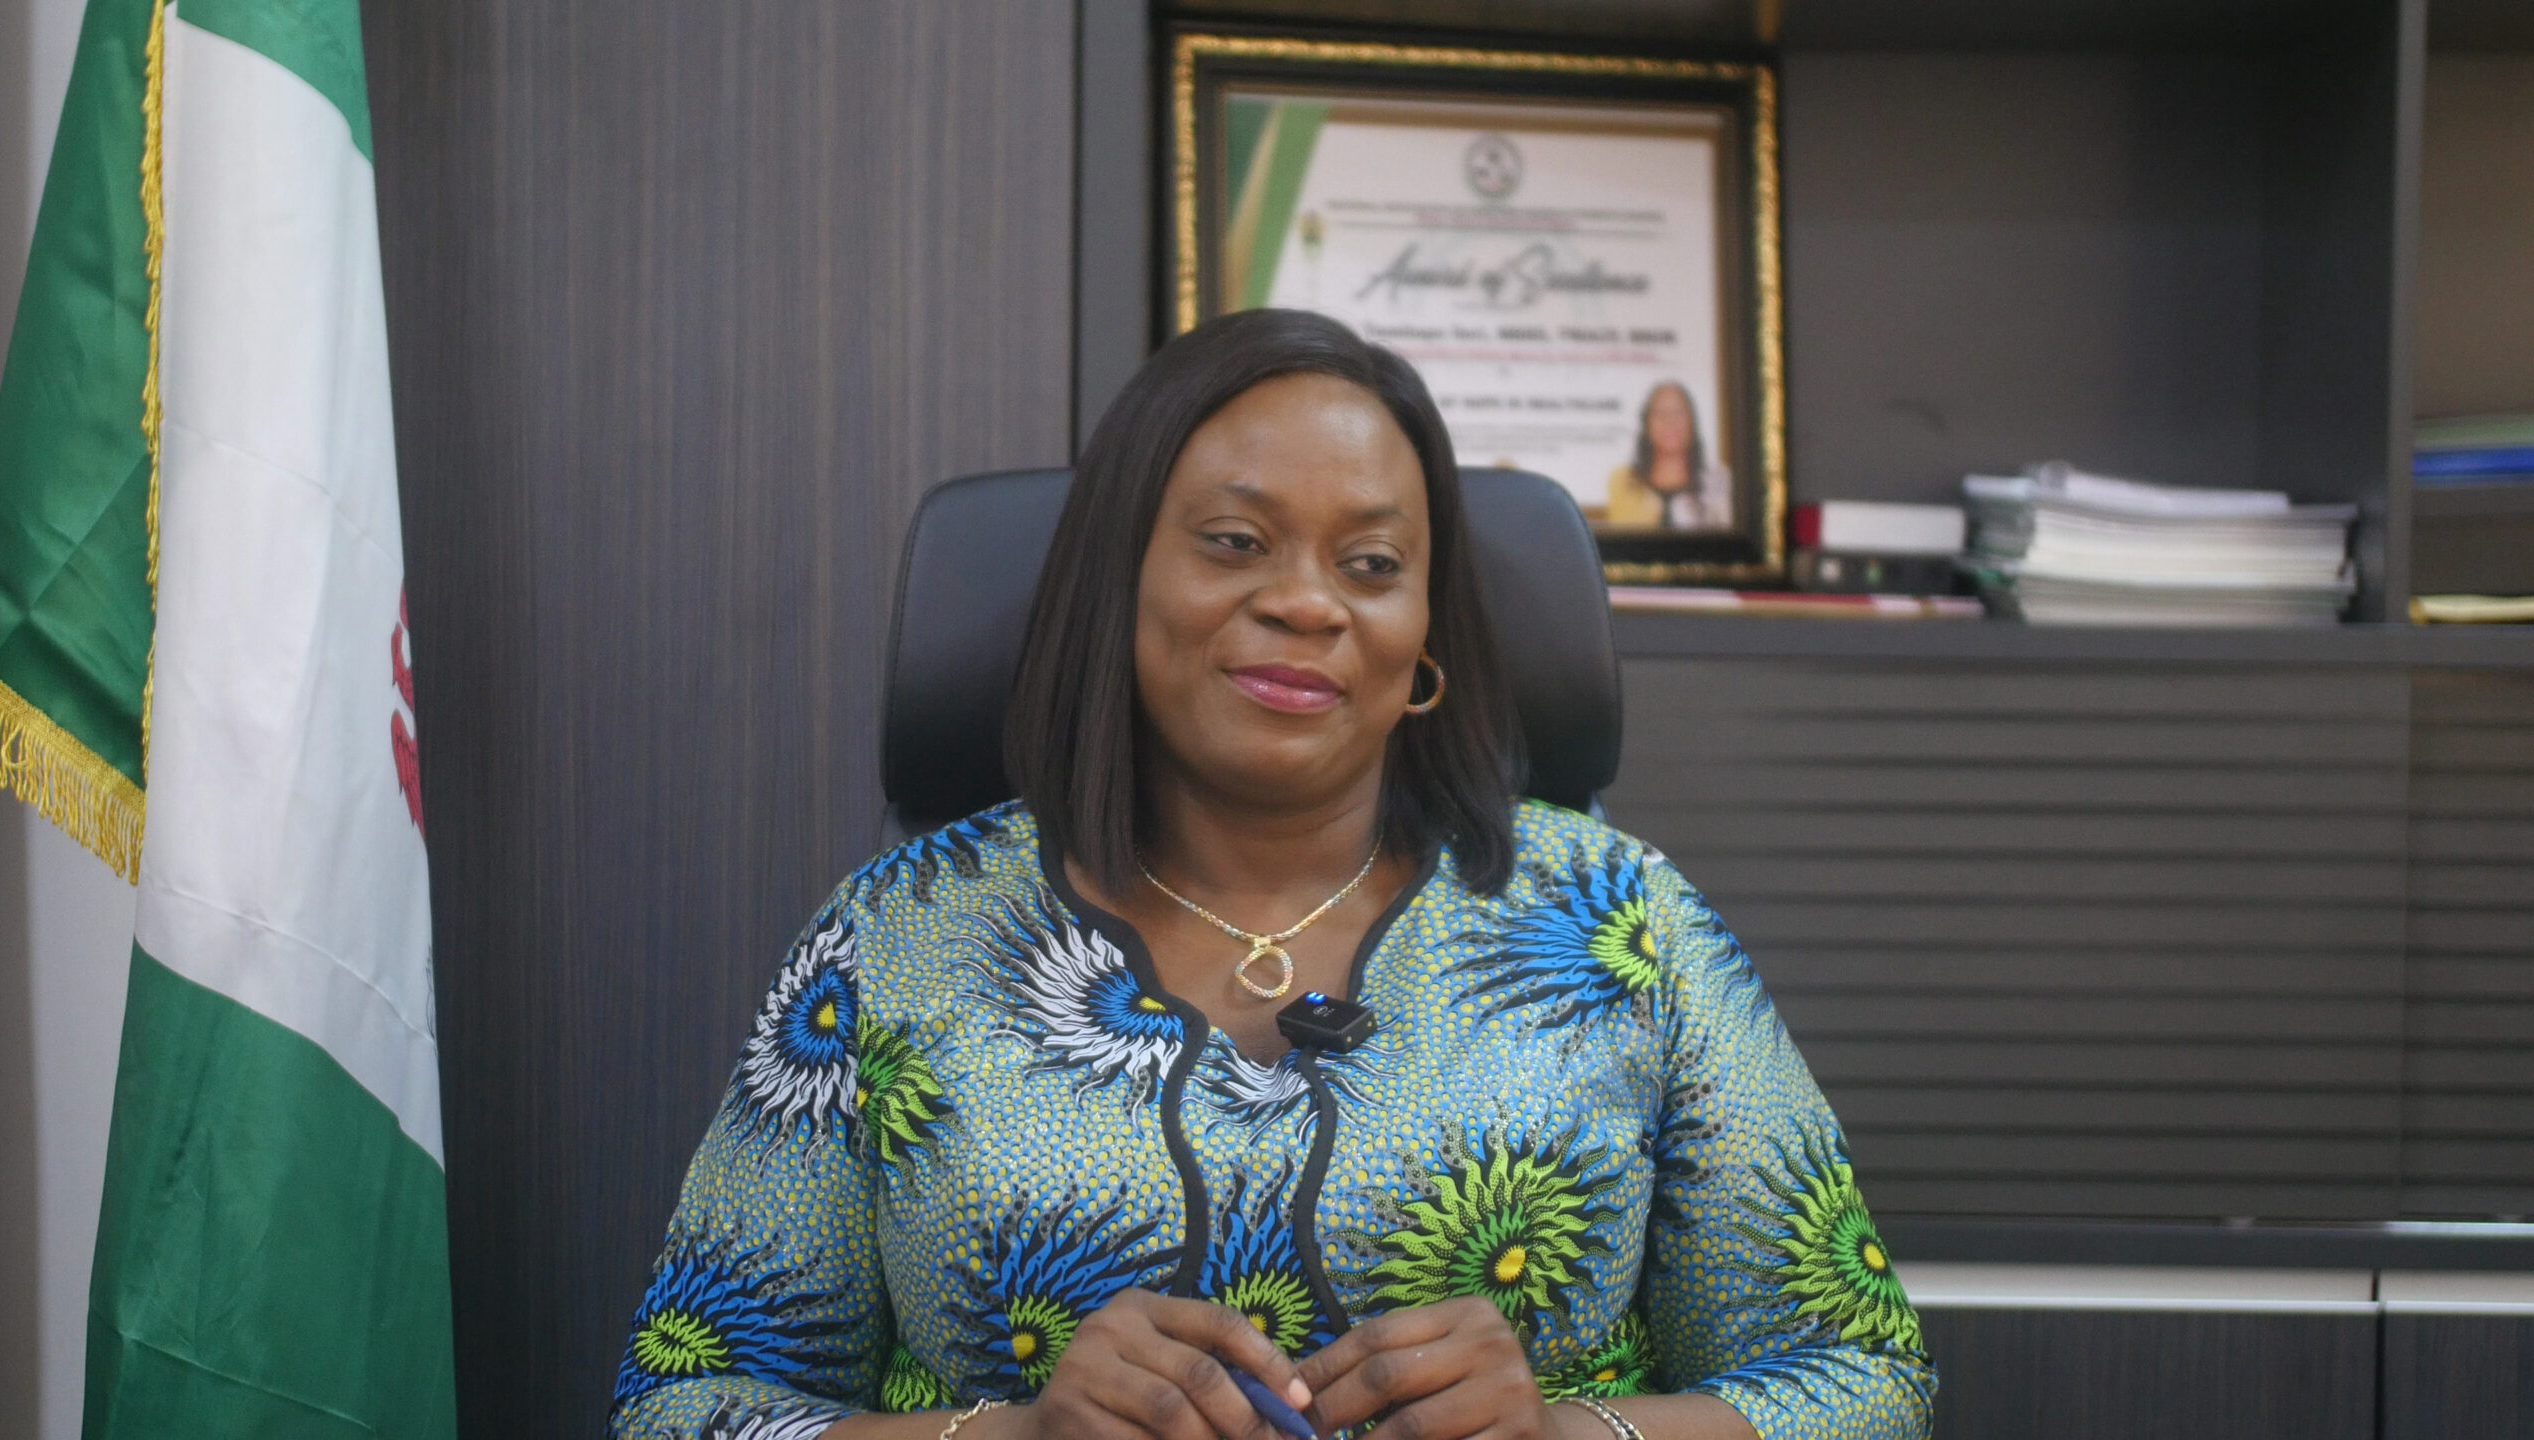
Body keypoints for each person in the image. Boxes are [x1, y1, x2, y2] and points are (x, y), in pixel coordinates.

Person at [608, 310, 1934, 1440]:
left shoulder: (1622, 922)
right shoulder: (897, 933)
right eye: (1236, 541)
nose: (1310, 602)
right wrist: (1009, 1434)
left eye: (1372, 564)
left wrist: (1570, 1431)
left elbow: (1865, 1382)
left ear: (1425, 638)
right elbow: (679, 1406)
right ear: (1118, 580)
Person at [1601, 382, 1733, 531]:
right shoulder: (1622, 481)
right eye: (1660, 413)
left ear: (1692, 421)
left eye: (1678, 412)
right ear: (1646, 423)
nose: (1670, 421)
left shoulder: (1720, 481)